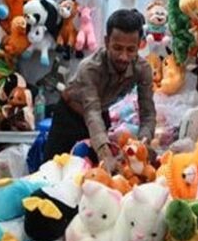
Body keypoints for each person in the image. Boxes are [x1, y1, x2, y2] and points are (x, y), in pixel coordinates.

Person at [43, 9, 156, 172]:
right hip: (69, 117)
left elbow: (148, 113)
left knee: (99, 174)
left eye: (131, 50)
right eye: (117, 48)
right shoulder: (89, 68)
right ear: (107, 41)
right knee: (53, 170)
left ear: (140, 46)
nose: (123, 57)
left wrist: (142, 144)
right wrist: (105, 154)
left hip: (101, 115)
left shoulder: (143, 69)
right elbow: (91, 112)